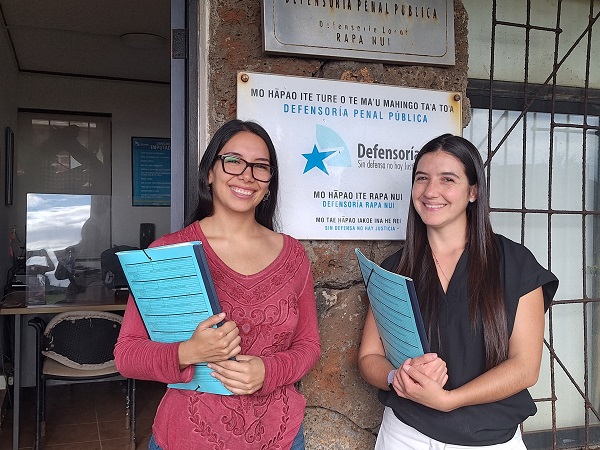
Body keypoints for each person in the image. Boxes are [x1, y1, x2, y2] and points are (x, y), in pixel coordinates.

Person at [114, 119, 321, 450]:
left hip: (279, 435)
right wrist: (188, 352)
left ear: (269, 183)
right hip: (188, 436)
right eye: (234, 160)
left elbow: (308, 345)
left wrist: (269, 372)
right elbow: (127, 355)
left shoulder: (293, 255)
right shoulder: (167, 253)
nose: (247, 174)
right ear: (209, 172)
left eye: (260, 167)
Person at [358, 134, 559, 449]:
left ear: (473, 191)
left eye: (447, 179)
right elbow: (369, 356)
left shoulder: (515, 263)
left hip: (490, 439)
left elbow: (525, 367)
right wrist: (396, 376)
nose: (430, 191)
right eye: (421, 178)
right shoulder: (396, 267)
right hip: (405, 434)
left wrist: (450, 399)